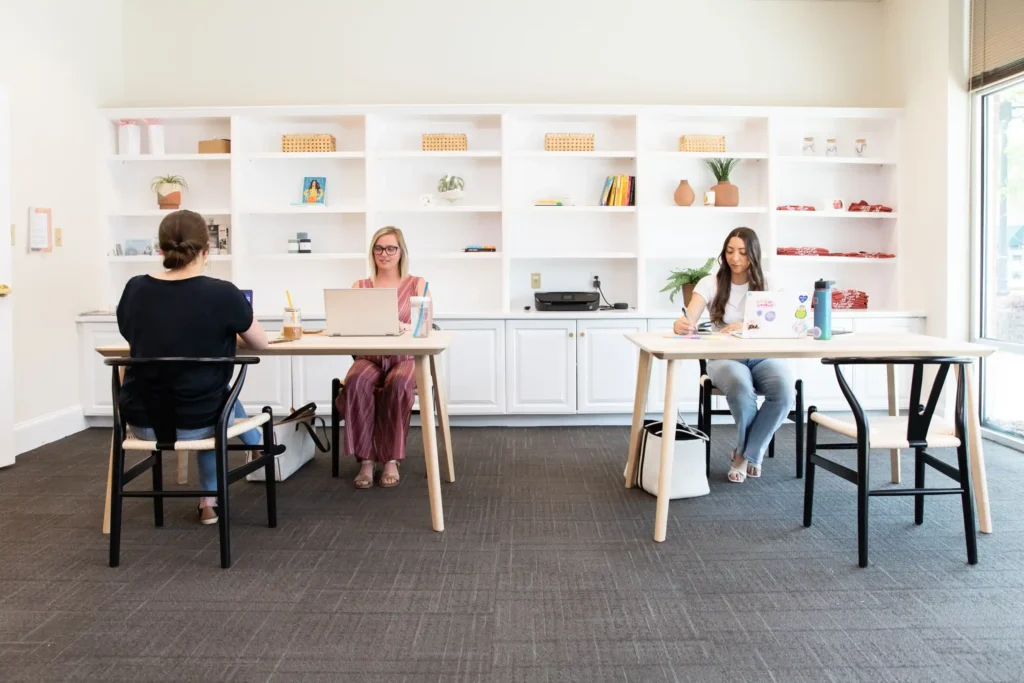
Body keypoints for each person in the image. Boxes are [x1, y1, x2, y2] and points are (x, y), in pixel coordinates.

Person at [116, 209, 270, 524]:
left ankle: (251, 455)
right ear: (206, 249)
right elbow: (260, 343)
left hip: (141, 421)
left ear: (160, 250)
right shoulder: (223, 292)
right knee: (217, 402)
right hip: (198, 420)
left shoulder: (134, 289)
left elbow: (133, 339)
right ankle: (249, 457)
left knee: (213, 397)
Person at [673, 227, 795, 483]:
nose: (735, 258)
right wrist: (681, 324)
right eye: (730, 251)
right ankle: (746, 456)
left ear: (754, 254)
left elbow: (784, 324)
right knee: (740, 386)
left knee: (785, 392)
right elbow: (689, 318)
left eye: (742, 252)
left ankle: (748, 452)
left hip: (764, 356)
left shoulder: (771, 283)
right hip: (725, 357)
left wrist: (751, 326)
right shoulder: (711, 282)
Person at [337, 226, 429, 489]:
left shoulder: (417, 284)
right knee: (355, 381)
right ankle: (365, 460)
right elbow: (350, 324)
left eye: (391, 248)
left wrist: (405, 327)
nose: (384, 253)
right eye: (379, 248)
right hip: (369, 358)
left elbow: (425, 326)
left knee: (399, 385)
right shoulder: (361, 286)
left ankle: (390, 458)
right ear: (372, 252)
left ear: (401, 252)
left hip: (405, 359)